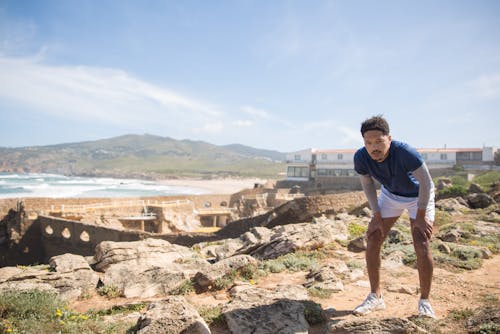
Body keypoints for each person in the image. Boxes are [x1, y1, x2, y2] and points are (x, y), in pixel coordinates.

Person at [352, 115, 436, 318]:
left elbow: (425, 181)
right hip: (391, 195)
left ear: (389, 139)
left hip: (419, 196)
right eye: (368, 143)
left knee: (421, 241)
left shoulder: (405, 152)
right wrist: (376, 214)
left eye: (379, 141)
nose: (374, 147)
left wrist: (421, 215)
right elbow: (367, 184)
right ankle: (375, 297)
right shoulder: (361, 157)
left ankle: (425, 302)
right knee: (373, 237)